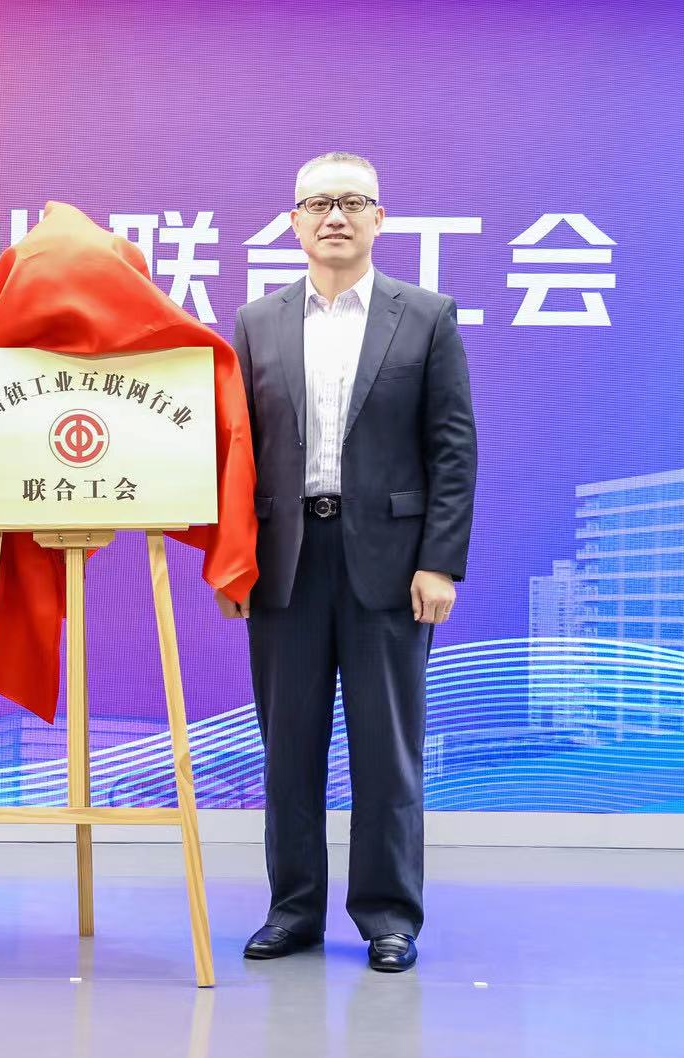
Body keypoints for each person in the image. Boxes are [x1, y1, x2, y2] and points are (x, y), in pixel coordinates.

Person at [222, 152, 476, 973]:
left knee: (386, 749)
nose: (335, 216)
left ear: (379, 218)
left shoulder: (426, 316)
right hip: (285, 561)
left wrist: (439, 561)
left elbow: (453, 448)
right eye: (318, 204)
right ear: (294, 221)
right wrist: (233, 562)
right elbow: (237, 453)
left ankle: (389, 915)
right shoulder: (256, 322)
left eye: (352, 202)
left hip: (392, 565)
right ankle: (293, 909)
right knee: (288, 748)